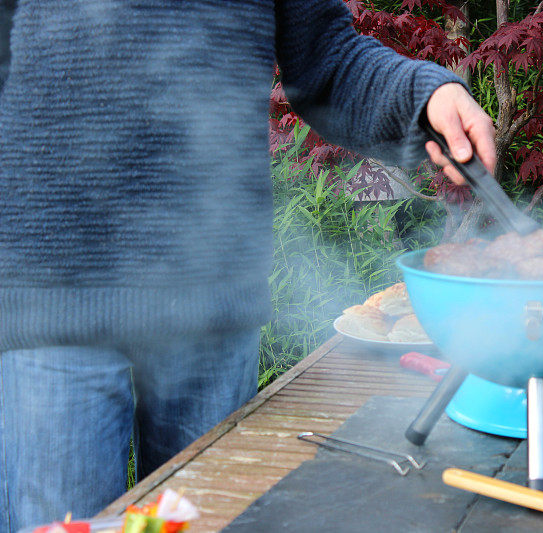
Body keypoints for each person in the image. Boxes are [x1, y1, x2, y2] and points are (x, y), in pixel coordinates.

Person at [0, 1, 496, 531]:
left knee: (210, 522)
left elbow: (328, 58)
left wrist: (428, 95)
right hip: (50, 291)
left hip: (213, 296)